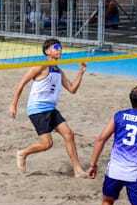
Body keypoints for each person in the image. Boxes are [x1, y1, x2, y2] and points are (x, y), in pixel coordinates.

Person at [9, 38, 87, 178]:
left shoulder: (58, 71)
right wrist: (13, 104)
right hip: (38, 110)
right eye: (56, 47)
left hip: (51, 109)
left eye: (60, 47)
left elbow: (72, 89)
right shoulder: (41, 66)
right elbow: (21, 83)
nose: (59, 50)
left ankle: (77, 170)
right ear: (47, 51)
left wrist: (81, 72)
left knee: (69, 134)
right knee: (47, 144)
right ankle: (22, 153)